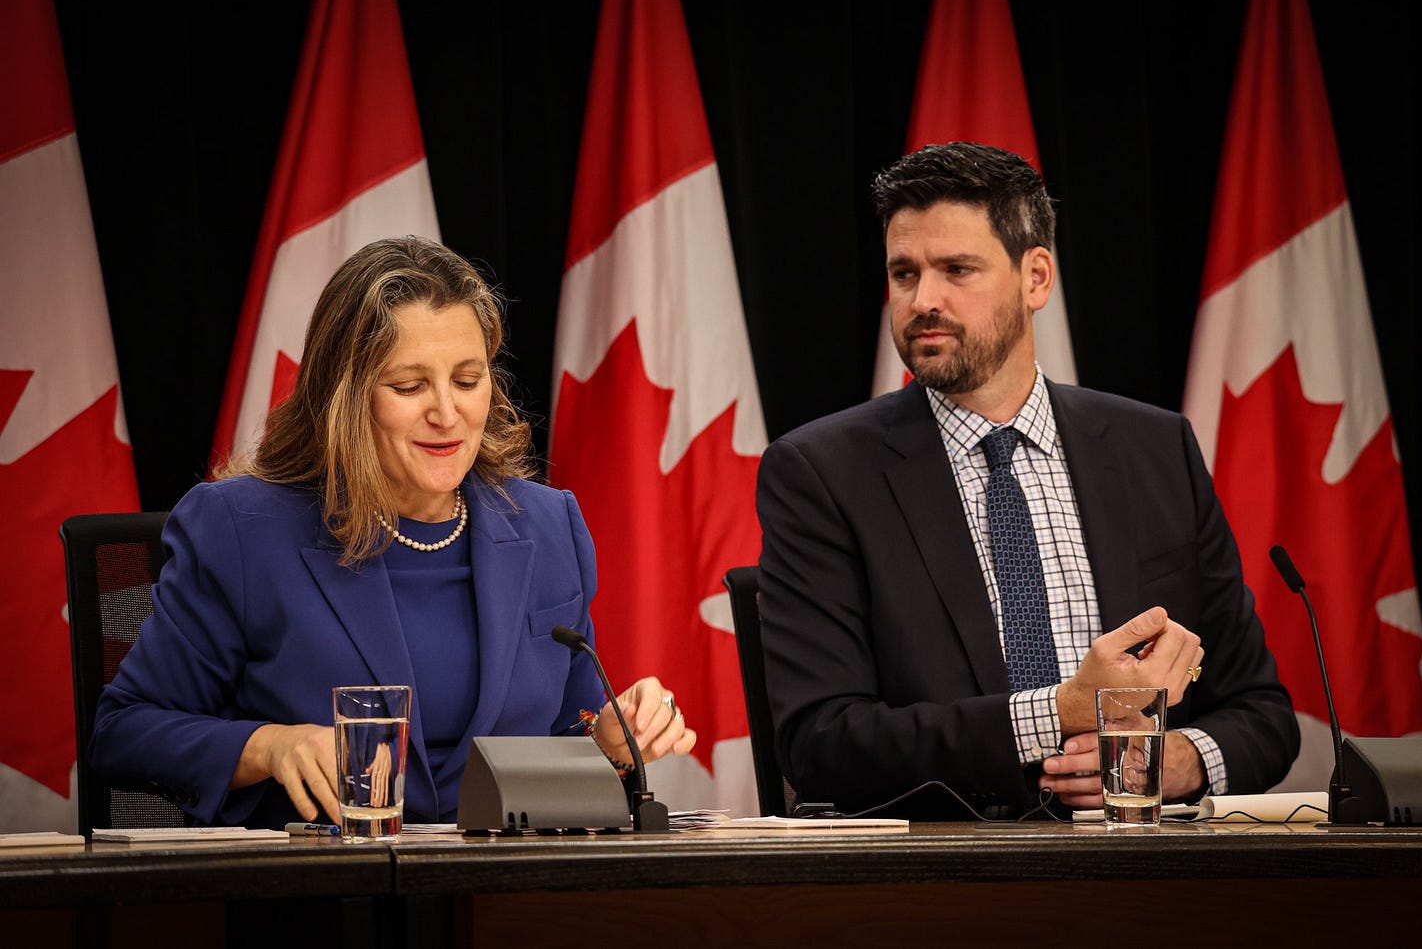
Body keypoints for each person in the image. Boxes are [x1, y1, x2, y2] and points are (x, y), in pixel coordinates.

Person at [755, 142, 1297, 820]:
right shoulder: (823, 473)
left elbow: (1263, 715)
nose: (923, 300)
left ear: (1035, 277)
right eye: (904, 273)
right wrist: (1060, 712)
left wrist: (1179, 760)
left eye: (957, 270)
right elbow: (819, 743)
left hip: (1144, 864)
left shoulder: (1156, 450)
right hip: (946, 868)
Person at [90, 235, 696, 828]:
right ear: (346, 395)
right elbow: (123, 732)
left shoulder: (547, 526)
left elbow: (565, 734)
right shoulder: (242, 530)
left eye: (467, 380)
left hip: (501, 883)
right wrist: (269, 745)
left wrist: (609, 741)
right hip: (320, 880)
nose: (447, 413)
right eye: (409, 387)